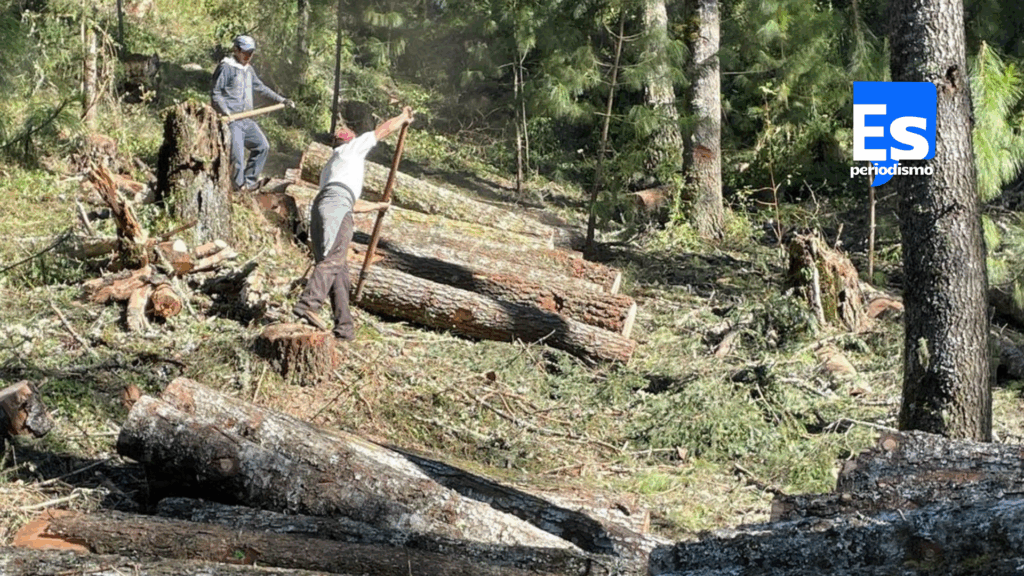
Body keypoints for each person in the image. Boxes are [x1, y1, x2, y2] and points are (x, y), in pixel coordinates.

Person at [292, 106, 414, 341]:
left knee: (339, 269)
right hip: (337, 207)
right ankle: (308, 305)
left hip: (324, 208)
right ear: (351, 140)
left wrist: (377, 207)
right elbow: (383, 131)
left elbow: (348, 201)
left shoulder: (333, 165)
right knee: (332, 261)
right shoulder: (353, 149)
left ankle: (344, 328)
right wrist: (403, 117)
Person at [210, 34, 294, 191]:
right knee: (237, 157)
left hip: (247, 120)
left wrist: (281, 100)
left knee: (262, 146)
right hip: (232, 121)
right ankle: (237, 189)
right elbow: (216, 93)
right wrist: (226, 112)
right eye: (245, 52)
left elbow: (260, 88)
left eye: (251, 53)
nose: (248, 56)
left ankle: (248, 183)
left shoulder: (248, 70)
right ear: (236, 50)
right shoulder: (226, 67)